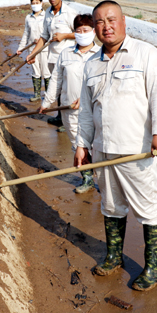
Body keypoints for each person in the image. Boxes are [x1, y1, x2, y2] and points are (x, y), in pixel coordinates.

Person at [73, 0, 157, 292]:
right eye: (100, 22)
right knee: (111, 205)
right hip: (103, 149)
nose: (106, 26)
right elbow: (87, 111)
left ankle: (153, 268)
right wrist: (82, 145)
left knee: (148, 209)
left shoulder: (146, 54)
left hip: (135, 150)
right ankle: (113, 256)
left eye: (111, 19)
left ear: (124, 21)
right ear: (94, 28)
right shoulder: (91, 64)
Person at [38, 13, 99, 193]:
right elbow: (56, 79)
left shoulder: (101, 54)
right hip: (69, 109)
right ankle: (87, 178)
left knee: (96, 144)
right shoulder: (66, 54)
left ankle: (102, 178)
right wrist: (47, 102)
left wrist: (87, 98)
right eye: (78, 30)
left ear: (94, 31)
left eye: (86, 30)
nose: (82, 34)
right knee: (77, 144)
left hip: (94, 109)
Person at [27, 0, 78, 128]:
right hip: (53, 58)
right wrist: (33, 53)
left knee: (68, 90)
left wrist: (64, 35)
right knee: (59, 90)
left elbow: (81, 33)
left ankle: (68, 122)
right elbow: (44, 36)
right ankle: (60, 117)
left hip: (69, 59)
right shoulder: (48, 13)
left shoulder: (70, 13)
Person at [17, 0, 50, 101]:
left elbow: (49, 33)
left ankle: (48, 96)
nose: (35, 5)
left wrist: (40, 40)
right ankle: (37, 95)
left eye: (37, 3)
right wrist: (21, 48)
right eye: (33, 3)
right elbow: (26, 34)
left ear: (42, 3)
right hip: (32, 50)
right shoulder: (28, 17)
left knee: (46, 72)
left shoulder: (46, 16)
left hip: (44, 49)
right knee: (36, 72)